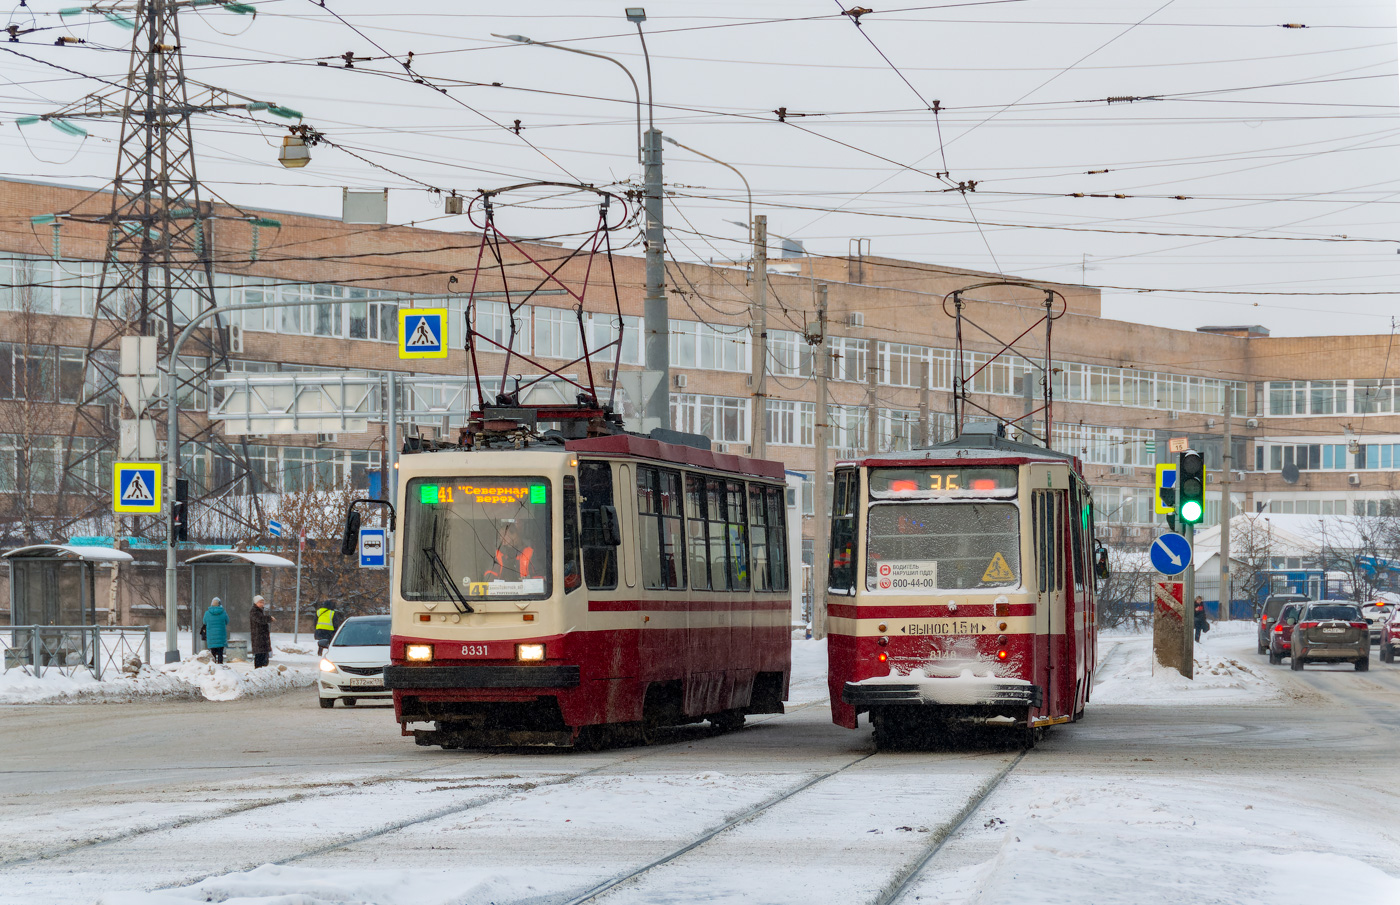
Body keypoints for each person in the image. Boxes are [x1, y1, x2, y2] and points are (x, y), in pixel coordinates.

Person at [250, 594, 275, 668]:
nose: (262, 604)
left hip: (262, 638)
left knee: (264, 657)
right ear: (256, 603)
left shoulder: (260, 611)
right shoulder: (254, 611)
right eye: (260, 602)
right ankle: (259, 672)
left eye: (263, 602)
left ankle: (262, 671)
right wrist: (269, 618)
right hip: (258, 638)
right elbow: (261, 619)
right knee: (259, 657)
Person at [202, 597, 229, 664]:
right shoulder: (223, 612)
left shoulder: (207, 613)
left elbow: (204, 622)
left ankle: (213, 666)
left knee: (213, 653)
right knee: (220, 654)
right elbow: (227, 621)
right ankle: (220, 666)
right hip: (221, 636)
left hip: (211, 637)